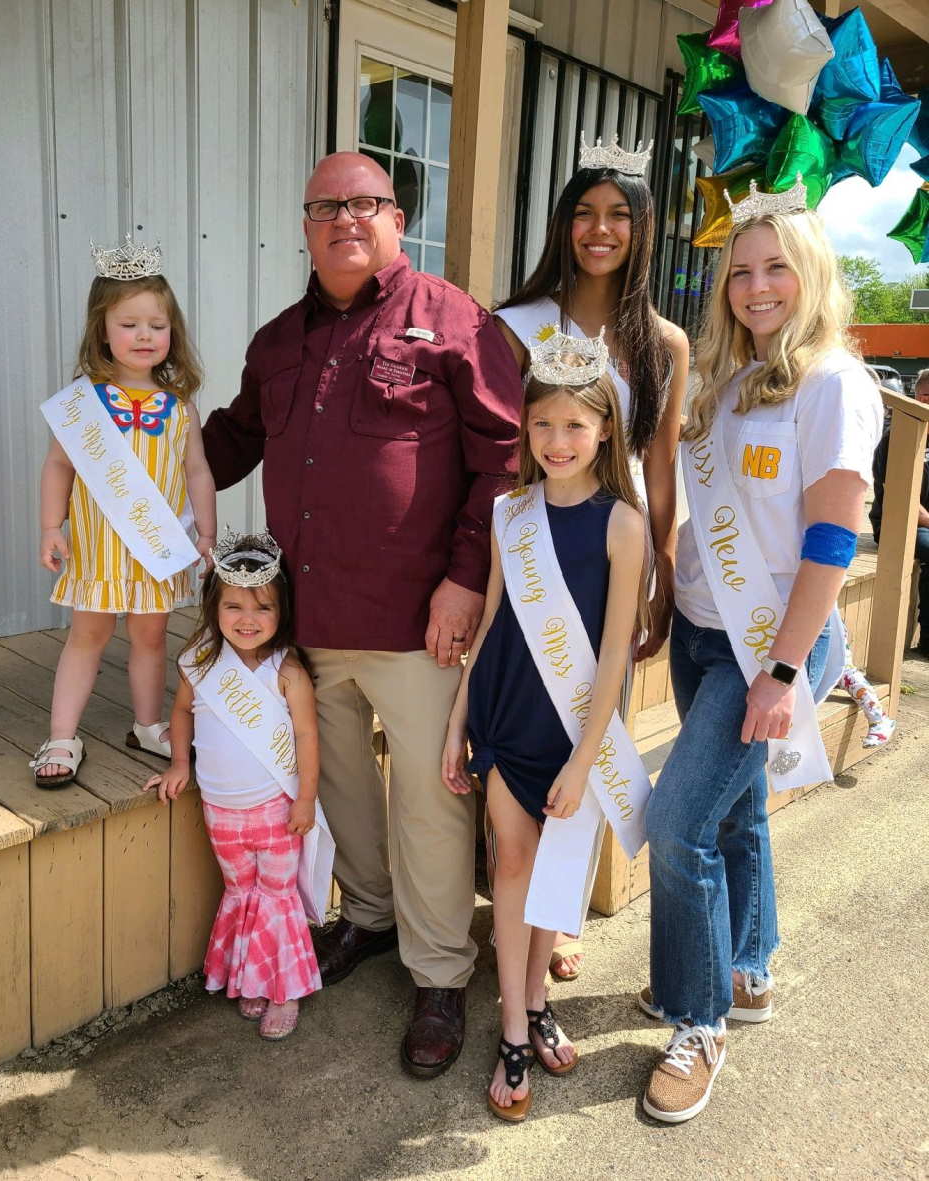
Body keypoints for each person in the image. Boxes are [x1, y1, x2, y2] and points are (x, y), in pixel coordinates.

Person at [201, 152, 522, 1076]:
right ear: (304, 227)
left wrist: (467, 580)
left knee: (429, 798)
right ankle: (372, 919)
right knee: (339, 782)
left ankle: (440, 971)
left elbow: (504, 459)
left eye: (364, 203)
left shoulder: (455, 319)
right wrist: (134, 447)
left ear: (395, 217)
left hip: (422, 617)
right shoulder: (277, 340)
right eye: (324, 207)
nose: (345, 218)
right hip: (310, 620)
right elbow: (230, 439)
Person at [640, 186, 882, 1123]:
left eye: (777, 264)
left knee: (678, 825)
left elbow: (832, 541)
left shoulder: (834, 383)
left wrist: (783, 672)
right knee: (737, 818)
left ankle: (699, 1022)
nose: (757, 285)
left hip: (767, 647)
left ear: (813, 270)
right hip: (707, 629)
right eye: (740, 270)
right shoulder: (735, 378)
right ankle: (745, 969)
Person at [492, 135, 689, 981]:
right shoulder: (520, 323)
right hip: (541, 544)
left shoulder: (664, 343)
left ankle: (563, 910)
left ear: (643, 228)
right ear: (564, 224)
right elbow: (505, 451)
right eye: (584, 213)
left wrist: (663, 573)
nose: (599, 230)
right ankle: (515, 897)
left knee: (595, 725)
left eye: (618, 215)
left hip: (618, 545)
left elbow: (663, 462)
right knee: (529, 723)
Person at [443, 330, 648, 1121]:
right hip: (503, 715)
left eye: (575, 425)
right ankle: (514, 1032)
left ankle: (535, 1002)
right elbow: (493, 617)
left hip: (574, 731)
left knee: (551, 881)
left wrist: (583, 759)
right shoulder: (508, 511)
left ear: (604, 430)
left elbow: (613, 658)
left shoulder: (622, 524)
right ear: (524, 430)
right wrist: (459, 718)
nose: (557, 442)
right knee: (511, 873)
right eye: (542, 425)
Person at [32, 241, 216, 786]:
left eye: (156, 325)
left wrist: (206, 531)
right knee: (85, 638)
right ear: (102, 330)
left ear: (172, 332)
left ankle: (147, 724)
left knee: (151, 640)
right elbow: (58, 466)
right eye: (129, 323)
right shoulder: (83, 403)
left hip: (155, 553)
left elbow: (198, 471)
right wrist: (50, 526)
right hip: (98, 552)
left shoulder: (179, 408)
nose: (143, 336)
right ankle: (63, 736)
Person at [145, 531, 325, 1040]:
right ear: (213, 607)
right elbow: (181, 711)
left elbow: (308, 735)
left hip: (274, 807)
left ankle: (283, 989)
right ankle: (252, 975)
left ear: (281, 611)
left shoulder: (286, 670)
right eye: (234, 606)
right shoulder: (202, 663)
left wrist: (306, 797)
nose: (248, 619)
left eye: (262, 607)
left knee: (276, 896)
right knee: (241, 891)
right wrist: (180, 762)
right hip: (220, 809)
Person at [869, 367, 929, 656]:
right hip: (899, 526)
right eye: (926, 396)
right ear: (915, 396)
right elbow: (901, 497)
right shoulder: (899, 437)